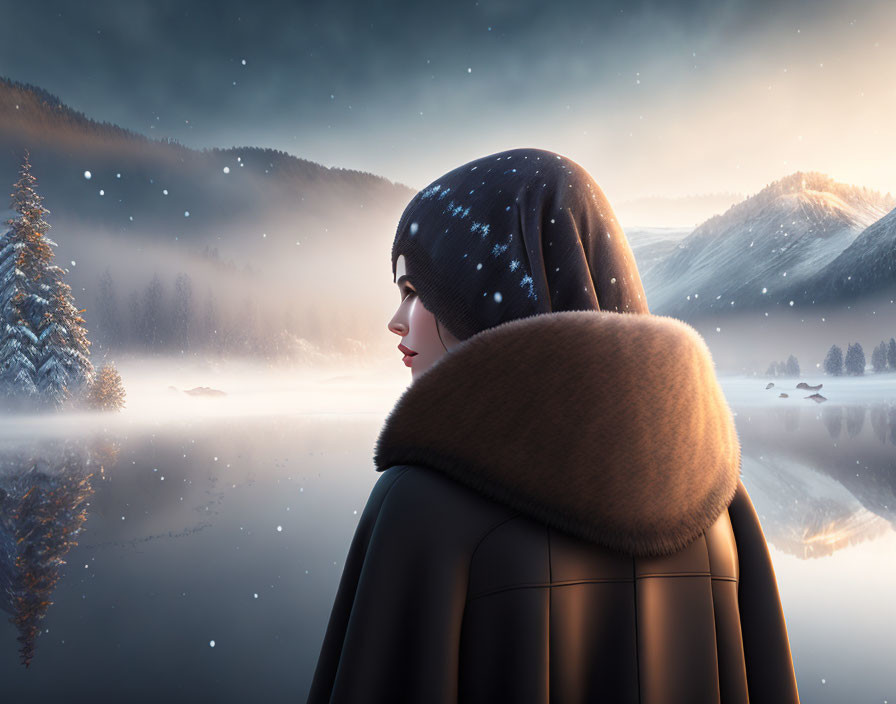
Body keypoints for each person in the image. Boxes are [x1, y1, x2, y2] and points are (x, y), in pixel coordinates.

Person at [306, 147, 800, 703]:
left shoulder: (422, 505)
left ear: (480, 293)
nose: (396, 322)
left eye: (414, 291)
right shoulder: (722, 502)